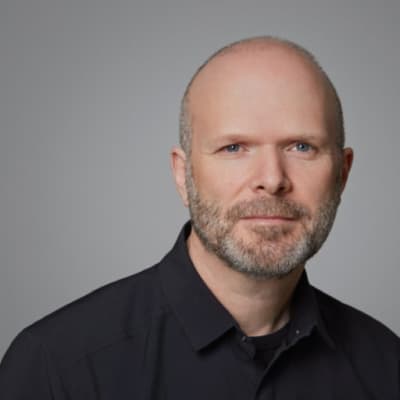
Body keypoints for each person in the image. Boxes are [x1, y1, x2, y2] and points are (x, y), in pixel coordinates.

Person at [0, 36, 398, 399]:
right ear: (183, 175)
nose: (272, 179)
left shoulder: (387, 366)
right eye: (234, 148)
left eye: (301, 147)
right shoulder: (56, 368)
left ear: (342, 174)